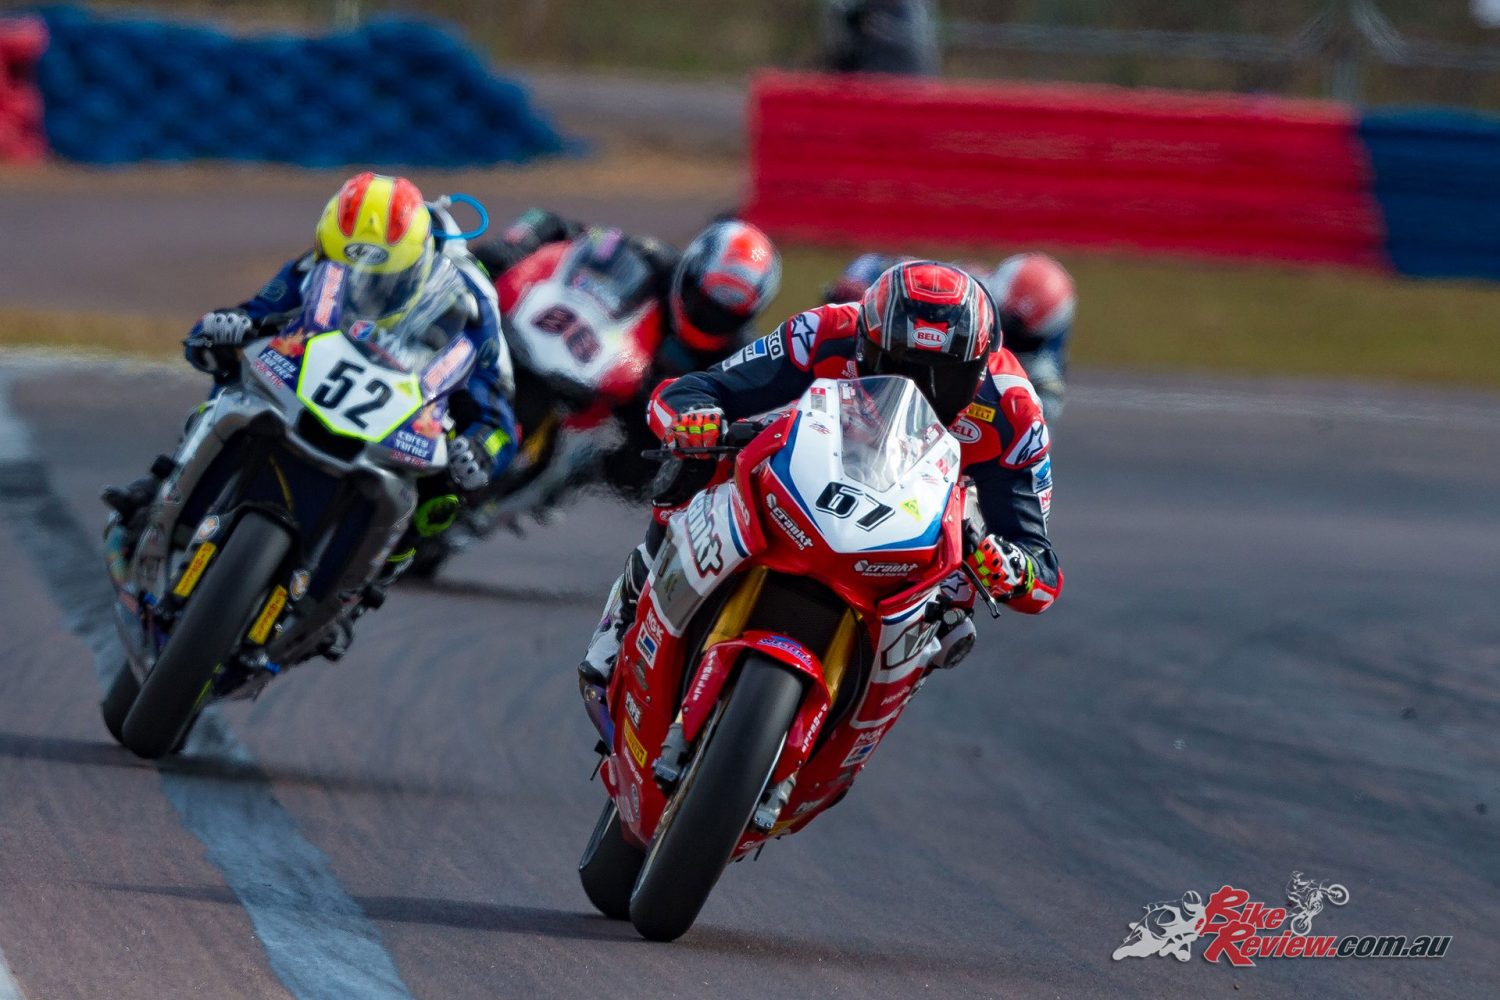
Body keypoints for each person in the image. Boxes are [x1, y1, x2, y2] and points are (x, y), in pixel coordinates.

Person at [580, 260, 1062, 688]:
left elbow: (1041, 568)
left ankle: (868, 709)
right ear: (866, 341)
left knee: (954, 614)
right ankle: (628, 611)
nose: (920, 387)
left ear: (979, 367)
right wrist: (695, 421)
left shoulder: (1014, 410)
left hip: (922, 520)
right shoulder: (827, 331)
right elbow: (694, 390)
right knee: (705, 460)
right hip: (814, 468)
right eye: (896, 364)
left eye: (946, 376)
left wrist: (1012, 570)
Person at [103, 172, 519, 610]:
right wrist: (223, 330)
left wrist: (481, 448)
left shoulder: (473, 308)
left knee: (447, 494)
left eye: (380, 278)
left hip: (404, 414)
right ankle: (163, 485)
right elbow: (253, 314)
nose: (363, 284)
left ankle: (366, 582)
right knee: (236, 376)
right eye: (347, 271)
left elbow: (498, 418)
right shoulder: (317, 262)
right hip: (313, 386)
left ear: (415, 263)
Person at [473, 210, 782, 494]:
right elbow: (559, 226)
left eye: (724, 314)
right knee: (487, 267)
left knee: (645, 470)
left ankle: (569, 477)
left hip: (650, 410)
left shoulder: (737, 356)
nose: (708, 314)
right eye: (701, 298)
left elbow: (743, 420)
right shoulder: (652, 256)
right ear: (688, 269)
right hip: (587, 362)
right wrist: (515, 245)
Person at [825, 251, 1075, 419]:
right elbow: (875, 265)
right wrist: (859, 284)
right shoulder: (965, 285)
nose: (1005, 337)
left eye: (1021, 338)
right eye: (1004, 322)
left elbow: (1043, 413)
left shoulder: (1043, 367)